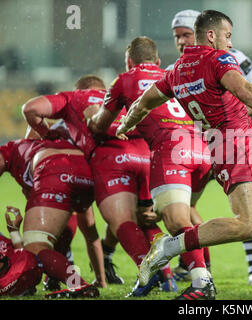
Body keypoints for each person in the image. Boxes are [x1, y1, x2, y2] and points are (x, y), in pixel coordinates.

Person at [117, 10, 252, 300]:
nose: (230, 43)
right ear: (212, 35)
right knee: (250, 225)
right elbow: (247, 89)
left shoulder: (174, 72)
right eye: (228, 36)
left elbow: (142, 104)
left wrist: (124, 124)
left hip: (224, 145)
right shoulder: (218, 59)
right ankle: (169, 247)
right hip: (235, 146)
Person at [88, 36, 213, 299]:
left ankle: (200, 280)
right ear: (157, 61)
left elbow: (100, 125)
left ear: (129, 62)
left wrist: (96, 123)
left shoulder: (125, 80)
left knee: (176, 222)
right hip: (203, 149)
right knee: (184, 216)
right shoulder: (174, 73)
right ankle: (199, 270)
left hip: (169, 150)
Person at [21, 76, 163, 291]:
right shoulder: (118, 102)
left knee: (43, 238)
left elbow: (31, 117)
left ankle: (63, 278)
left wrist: (47, 134)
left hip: (76, 170)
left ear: (78, 89)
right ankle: (162, 276)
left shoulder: (71, 103)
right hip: (142, 157)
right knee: (142, 219)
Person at [168, 8, 252, 287]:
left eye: (186, 34)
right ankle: (196, 265)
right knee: (186, 206)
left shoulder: (232, 57)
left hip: (234, 144)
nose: (181, 41)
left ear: (203, 33)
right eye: (177, 36)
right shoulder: (175, 69)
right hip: (197, 148)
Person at [0, 138, 105, 298]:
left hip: (55, 169)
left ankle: (78, 286)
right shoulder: (36, 146)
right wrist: (101, 279)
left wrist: (14, 232)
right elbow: (90, 230)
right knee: (55, 233)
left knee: (37, 245)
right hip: (86, 168)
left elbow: (27, 257)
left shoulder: (11, 152)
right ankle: (57, 278)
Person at [0, 207, 43, 297]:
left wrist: (14, 231)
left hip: (19, 270)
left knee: (45, 255)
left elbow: (18, 253)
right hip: (12, 278)